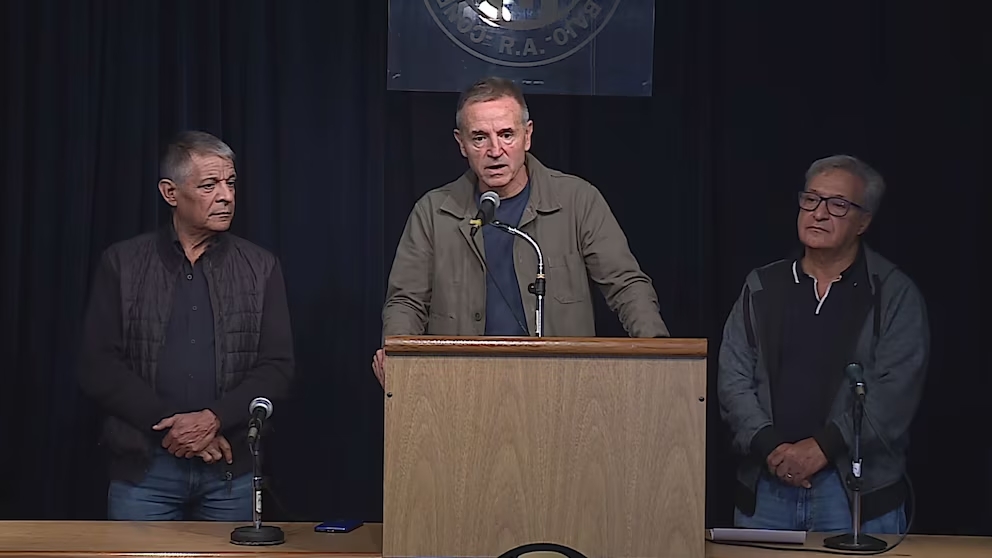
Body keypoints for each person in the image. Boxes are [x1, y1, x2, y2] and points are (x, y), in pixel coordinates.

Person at [372, 76, 669, 385]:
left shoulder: (578, 201)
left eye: (506, 134)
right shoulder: (433, 213)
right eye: (479, 138)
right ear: (461, 144)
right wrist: (398, 357)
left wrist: (660, 352)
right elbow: (406, 302)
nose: (495, 150)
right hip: (462, 387)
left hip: (562, 386)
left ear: (527, 136)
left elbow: (626, 286)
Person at [78, 131, 295, 520]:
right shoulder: (123, 263)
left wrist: (215, 418)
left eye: (230, 183)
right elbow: (98, 366)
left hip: (230, 470)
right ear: (170, 192)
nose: (226, 196)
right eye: (209, 185)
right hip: (145, 472)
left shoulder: (261, 267)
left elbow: (277, 367)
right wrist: (173, 427)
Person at [717, 155, 929, 533]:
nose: (819, 213)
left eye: (838, 204)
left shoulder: (894, 293)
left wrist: (822, 448)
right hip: (768, 489)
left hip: (854, 497)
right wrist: (772, 448)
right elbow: (732, 379)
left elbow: (895, 393)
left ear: (863, 222)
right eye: (811, 199)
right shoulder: (762, 286)